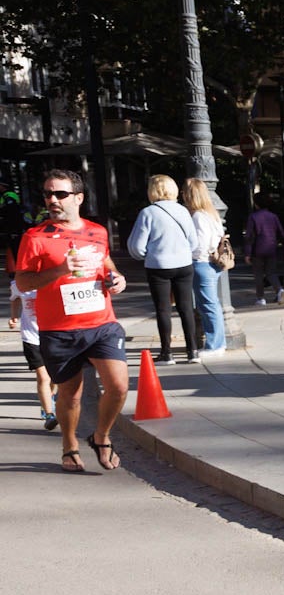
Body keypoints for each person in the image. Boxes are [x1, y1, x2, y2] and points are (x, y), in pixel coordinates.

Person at [13, 169, 130, 472]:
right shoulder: (34, 237)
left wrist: (117, 278)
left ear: (78, 197)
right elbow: (24, 283)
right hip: (59, 330)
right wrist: (60, 270)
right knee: (71, 395)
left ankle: (101, 436)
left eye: (60, 194)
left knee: (118, 386)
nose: (52, 199)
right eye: (47, 194)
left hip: (101, 323)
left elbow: (105, 263)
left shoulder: (97, 231)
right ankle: (69, 445)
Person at [126, 174, 199, 364]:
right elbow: (194, 242)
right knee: (186, 308)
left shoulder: (148, 213)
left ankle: (167, 353)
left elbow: (136, 246)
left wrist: (147, 254)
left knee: (163, 310)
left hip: (158, 266)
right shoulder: (183, 211)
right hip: (184, 265)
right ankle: (193, 351)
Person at [182, 178, 227, 355]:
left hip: (202, 262)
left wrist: (187, 253)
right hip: (212, 264)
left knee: (208, 305)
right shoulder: (211, 213)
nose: (182, 195)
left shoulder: (198, 216)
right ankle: (217, 342)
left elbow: (200, 244)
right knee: (210, 304)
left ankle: (215, 344)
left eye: (184, 191)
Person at [9, 277, 57, 430]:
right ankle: (49, 414)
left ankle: (48, 400)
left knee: (54, 377)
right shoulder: (19, 283)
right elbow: (15, 298)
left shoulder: (53, 280)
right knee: (43, 377)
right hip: (31, 337)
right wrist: (14, 316)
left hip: (53, 336)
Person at [244, 198, 284, 306]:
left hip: (258, 249)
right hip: (271, 248)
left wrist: (247, 253)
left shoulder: (253, 217)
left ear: (256, 205)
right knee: (271, 273)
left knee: (258, 275)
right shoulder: (273, 217)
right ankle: (279, 290)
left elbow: (250, 236)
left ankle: (261, 298)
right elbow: (281, 234)